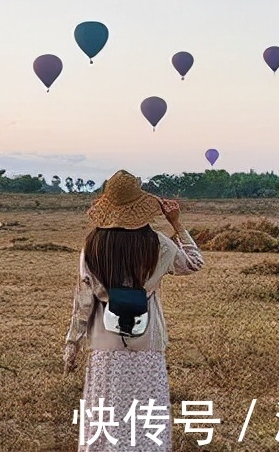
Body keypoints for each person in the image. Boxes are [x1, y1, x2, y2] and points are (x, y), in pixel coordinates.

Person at [63, 169, 204, 450]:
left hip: (105, 343)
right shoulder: (159, 245)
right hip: (147, 341)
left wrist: (72, 343)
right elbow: (194, 262)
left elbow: (84, 301)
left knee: (106, 414)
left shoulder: (92, 247)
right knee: (146, 414)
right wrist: (176, 225)